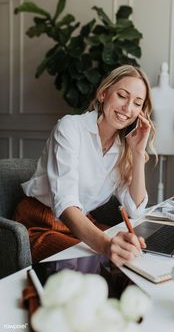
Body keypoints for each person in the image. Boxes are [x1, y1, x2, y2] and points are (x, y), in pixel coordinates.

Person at [15, 65, 156, 266]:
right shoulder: (70, 127)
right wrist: (107, 245)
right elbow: (65, 203)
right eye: (122, 96)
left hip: (81, 224)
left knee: (134, 256)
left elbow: (136, 209)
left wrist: (138, 153)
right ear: (103, 94)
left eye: (137, 103)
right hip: (40, 223)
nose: (128, 108)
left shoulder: (124, 148)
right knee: (105, 262)